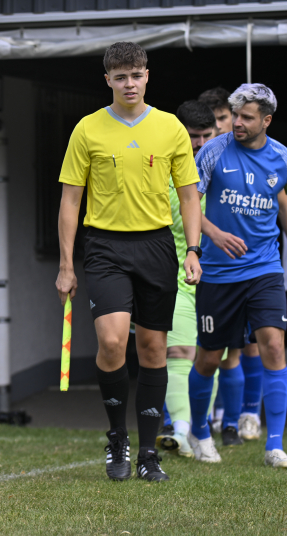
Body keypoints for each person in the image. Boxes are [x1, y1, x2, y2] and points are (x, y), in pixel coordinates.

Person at [57, 42, 203, 482]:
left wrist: (193, 250)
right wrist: (66, 264)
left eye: (136, 74)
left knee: (154, 348)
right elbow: (70, 199)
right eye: (120, 77)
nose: (129, 83)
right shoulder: (87, 129)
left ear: (146, 75)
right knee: (113, 342)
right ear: (108, 81)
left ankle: (147, 453)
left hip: (157, 247)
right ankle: (117, 439)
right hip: (104, 247)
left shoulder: (171, 128)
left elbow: (189, 195)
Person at [188, 83, 287, 467]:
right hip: (218, 272)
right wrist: (211, 236)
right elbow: (191, 200)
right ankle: (199, 431)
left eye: (247, 117)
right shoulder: (214, 150)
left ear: (266, 120)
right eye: (235, 116)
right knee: (210, 357)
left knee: (273, 346)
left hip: (264, 267)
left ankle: (274, 444)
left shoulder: (280, 157)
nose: (237, 124)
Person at [156, 100, 215, 457]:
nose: (199, 143)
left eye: (206, 136)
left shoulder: (224, 164)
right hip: (172, 272)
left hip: (217, 274)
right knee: (178, 351)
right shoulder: (162, 165)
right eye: (193, 136)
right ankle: (179, 431)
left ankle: (199, 429)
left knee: (210, 356)